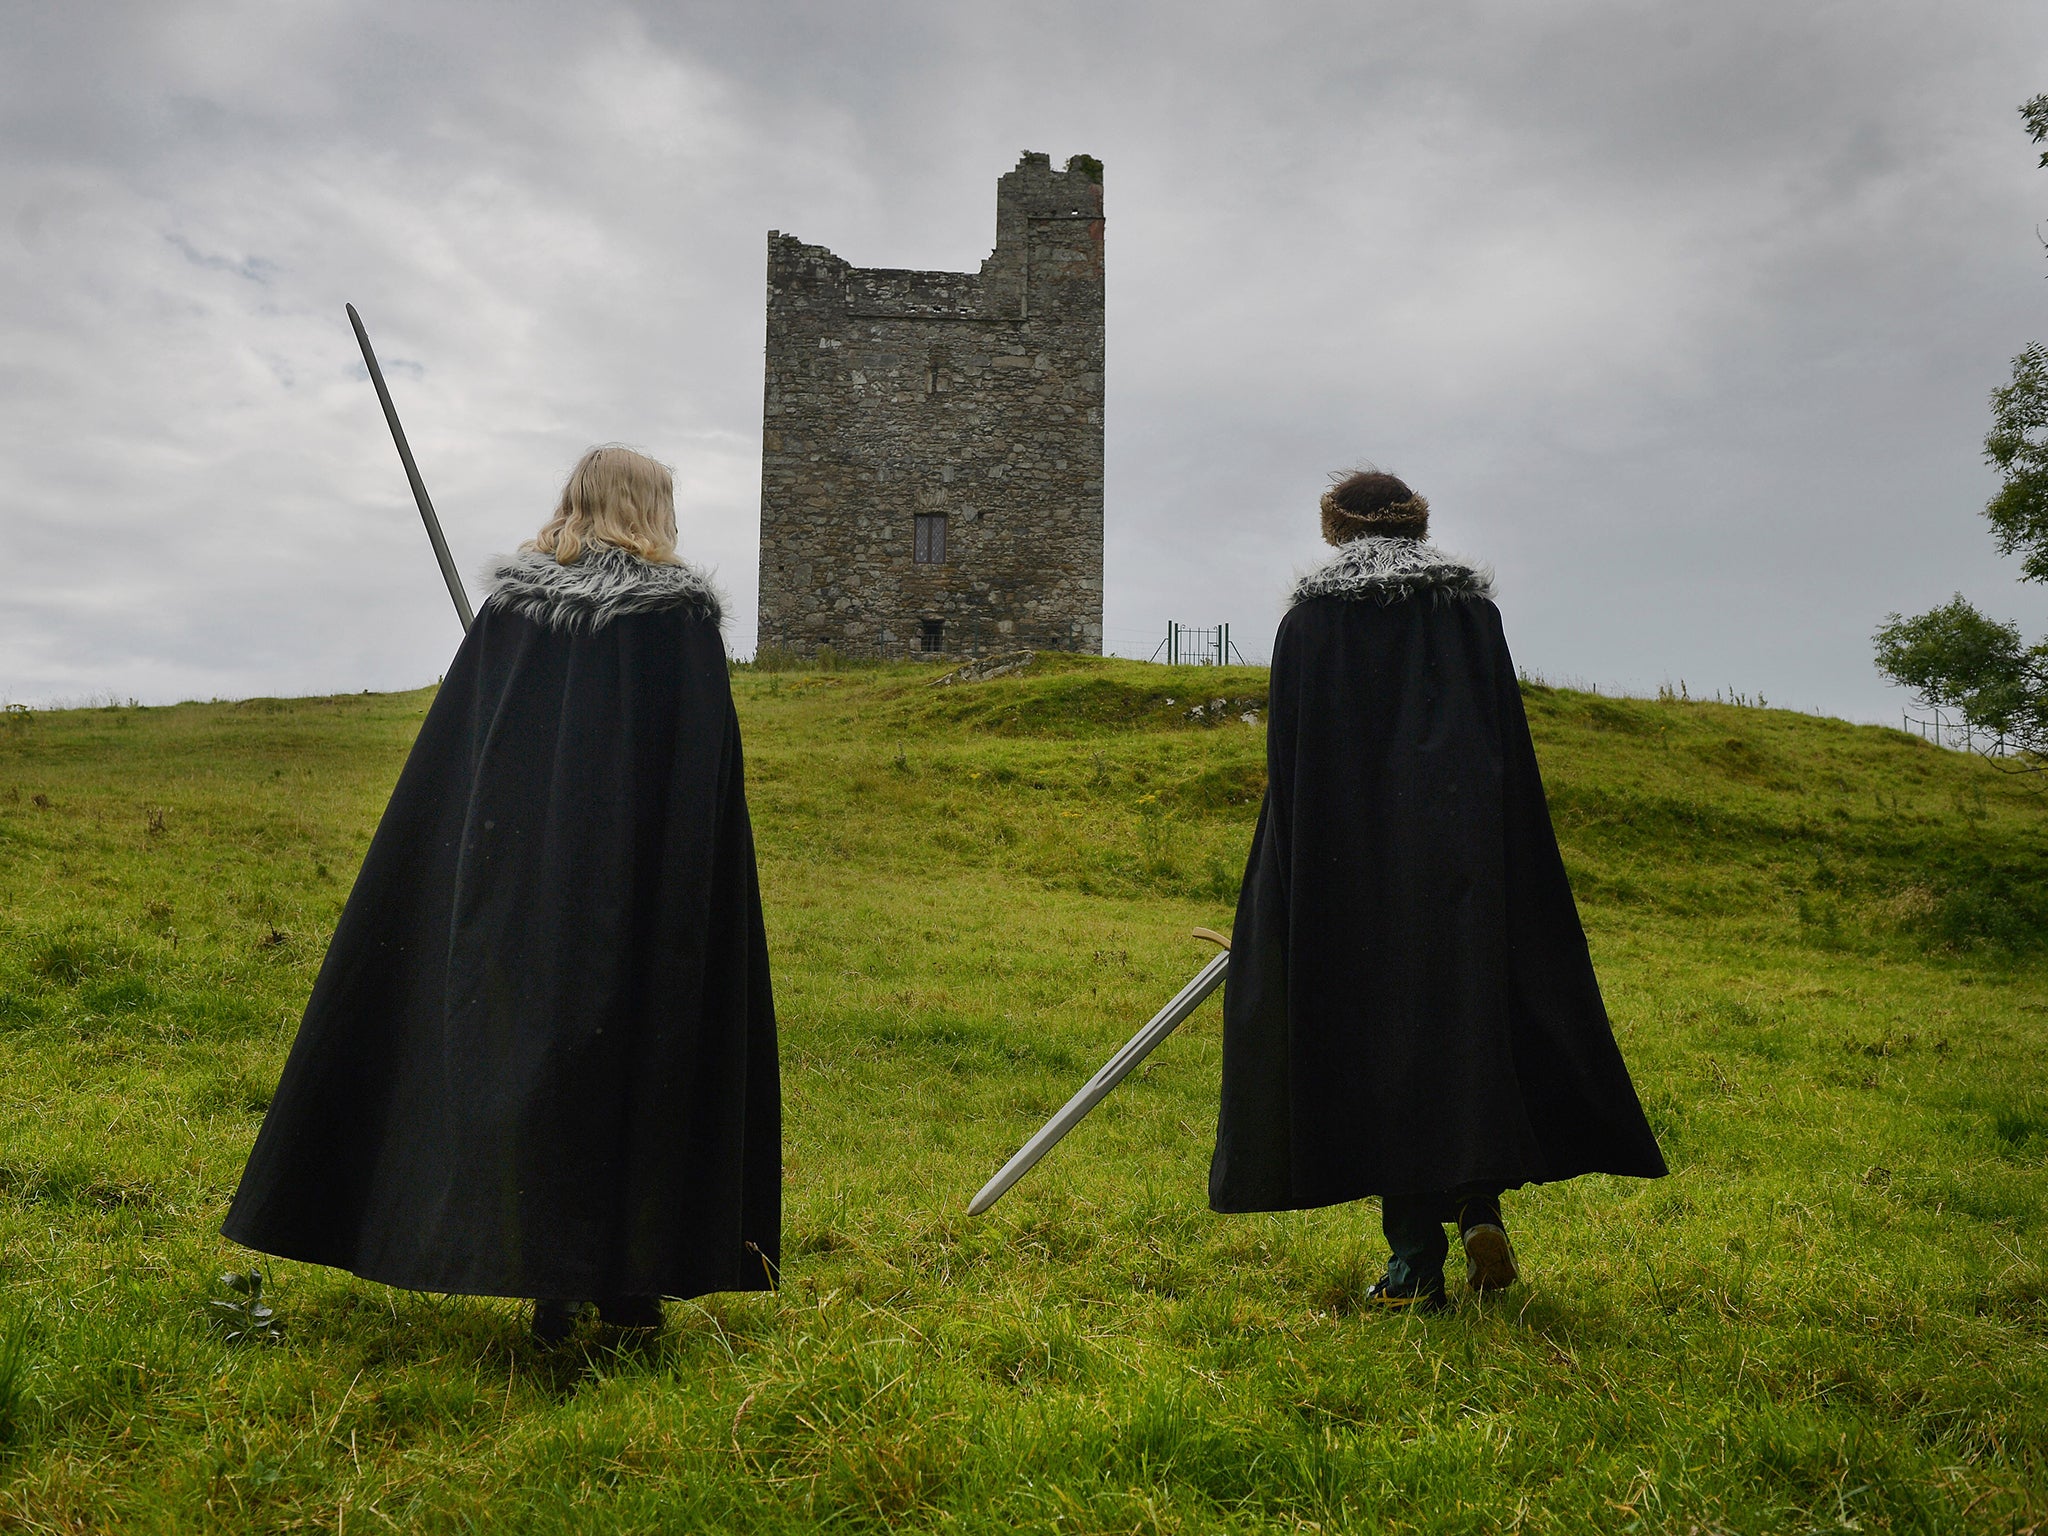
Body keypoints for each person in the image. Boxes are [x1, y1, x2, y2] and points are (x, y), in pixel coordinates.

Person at [222, 445, 780, 1342]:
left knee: (537, 1062)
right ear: (650, 508)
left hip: (523, 890)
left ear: (576, 501)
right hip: (643, 893)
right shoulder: (675, 626)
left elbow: (463, 768)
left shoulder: (510, 616)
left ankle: (548, 1281)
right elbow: (701, 782)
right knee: (635, 1062)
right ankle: (625, 1289)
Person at [1208, 469, 1666, 1310]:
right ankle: (1478, 1207)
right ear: (1416, 527)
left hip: (1349, 874)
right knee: (1466, 1025)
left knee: (1382, 1048)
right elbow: (1504, 743)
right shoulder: (1471, 615)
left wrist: (1281, 891)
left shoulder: (1311, 623)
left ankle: (1414, 1268)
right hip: (1467, 862)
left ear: (1334, 531)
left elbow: (1292, 767)